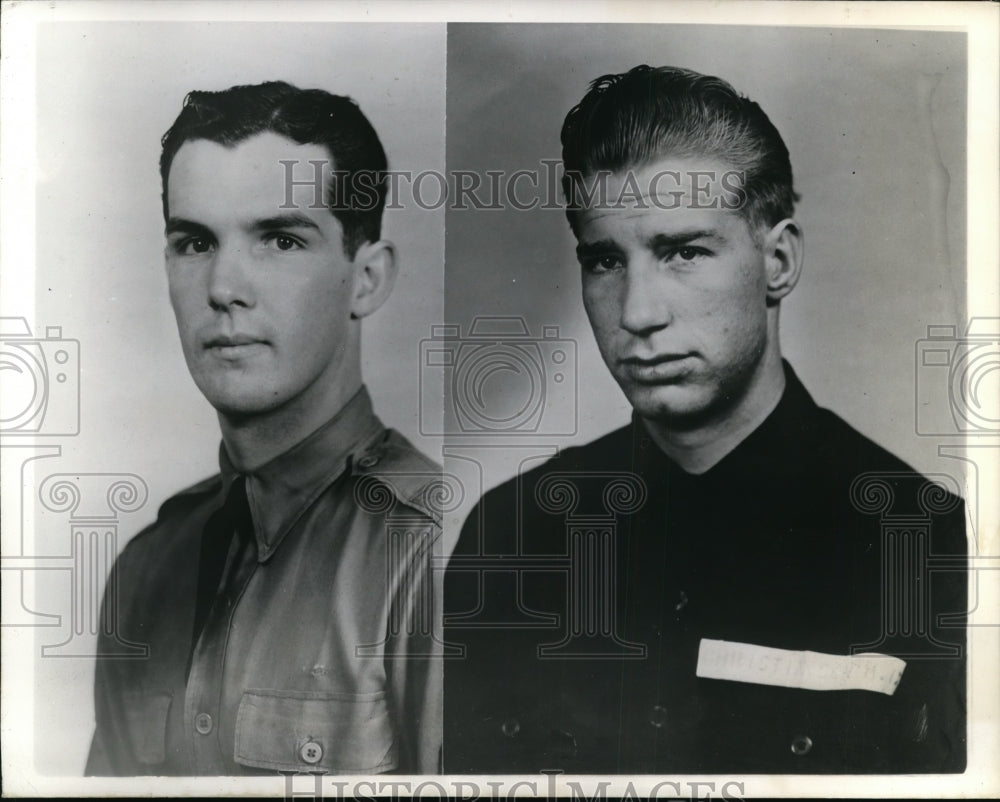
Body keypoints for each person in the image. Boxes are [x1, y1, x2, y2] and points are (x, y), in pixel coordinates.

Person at [443, 66, 967, 774]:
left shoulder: (927, 546)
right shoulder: (510, 536)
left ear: (777, 260)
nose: (636, 313)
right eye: (604, 261)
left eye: (683, 252)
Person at [87, 81, 442, 775]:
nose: (223, 286)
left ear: (367, 278)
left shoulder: (435, 552)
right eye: (194, 242)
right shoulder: (146, 569)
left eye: (279, 239)